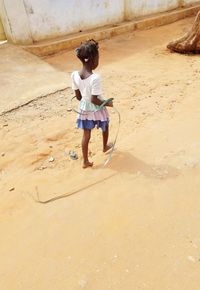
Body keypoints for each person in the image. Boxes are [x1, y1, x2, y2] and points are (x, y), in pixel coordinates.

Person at [71, 39, 113, 168]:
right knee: (104, 125)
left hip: (84, 108)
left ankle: (85, 161)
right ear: (91, 59)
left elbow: (78, 97)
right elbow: (95, 100)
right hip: (97, 108)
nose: (98, 61)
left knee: (86, 134)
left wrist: (85, 97)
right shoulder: (95, 78)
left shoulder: (74, 75)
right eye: (97, 57)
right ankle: (105, 146)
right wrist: (108, 103)